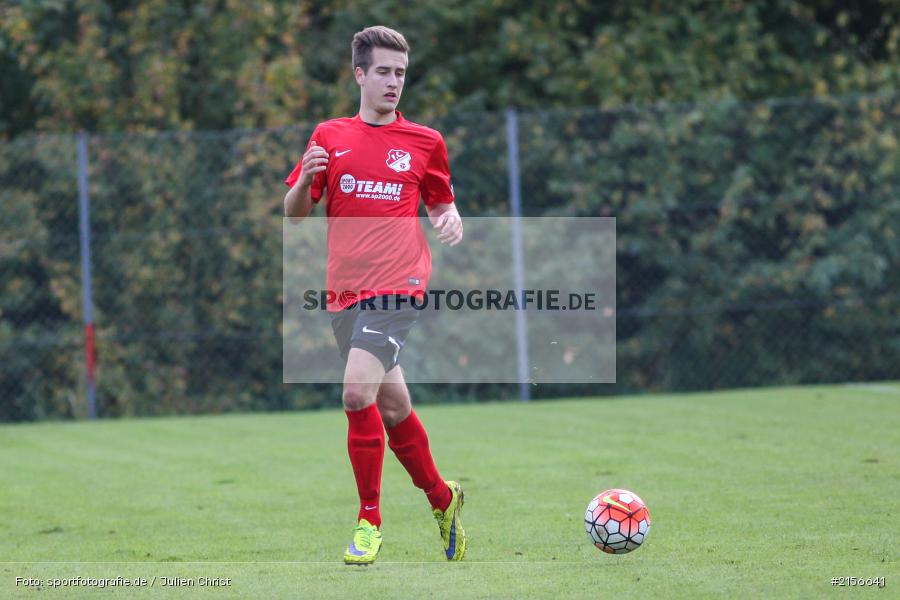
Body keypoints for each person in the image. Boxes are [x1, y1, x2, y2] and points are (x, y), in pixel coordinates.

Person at [283, 25, 466, 565]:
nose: (393, 82)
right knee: (392, 405)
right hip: (344, 293)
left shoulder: (424, 142)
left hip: (399, 286)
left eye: (401, 73)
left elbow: (440, 203)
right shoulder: (329, 136)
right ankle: (442, 497)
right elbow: (296, 214)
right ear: (359, 74)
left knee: (355, 394)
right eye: (383, 72)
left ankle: (369, 522)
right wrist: (301, 182)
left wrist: (450, 218)